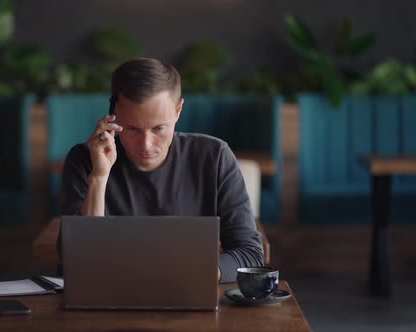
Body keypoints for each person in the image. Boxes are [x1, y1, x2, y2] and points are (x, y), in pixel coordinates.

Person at [59, 57, 263, 283]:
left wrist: (195, 273)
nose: (146, 145)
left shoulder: (214, 156)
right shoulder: (84, 160)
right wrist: (99, 176)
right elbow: (75, 260)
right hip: (104, 299)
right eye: (132, 129)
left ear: (177, 111)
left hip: (187, 291)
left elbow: (250, 254)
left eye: (158, 128)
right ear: (112, 114)